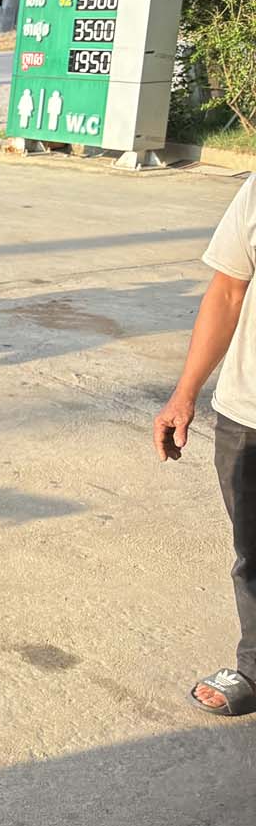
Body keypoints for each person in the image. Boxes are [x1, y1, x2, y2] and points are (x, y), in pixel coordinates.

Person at [154, 174, 256, 716]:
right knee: (252, 556)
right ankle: (255, 667)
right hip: (248, 412)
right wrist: (184, 393)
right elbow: (228, 290)